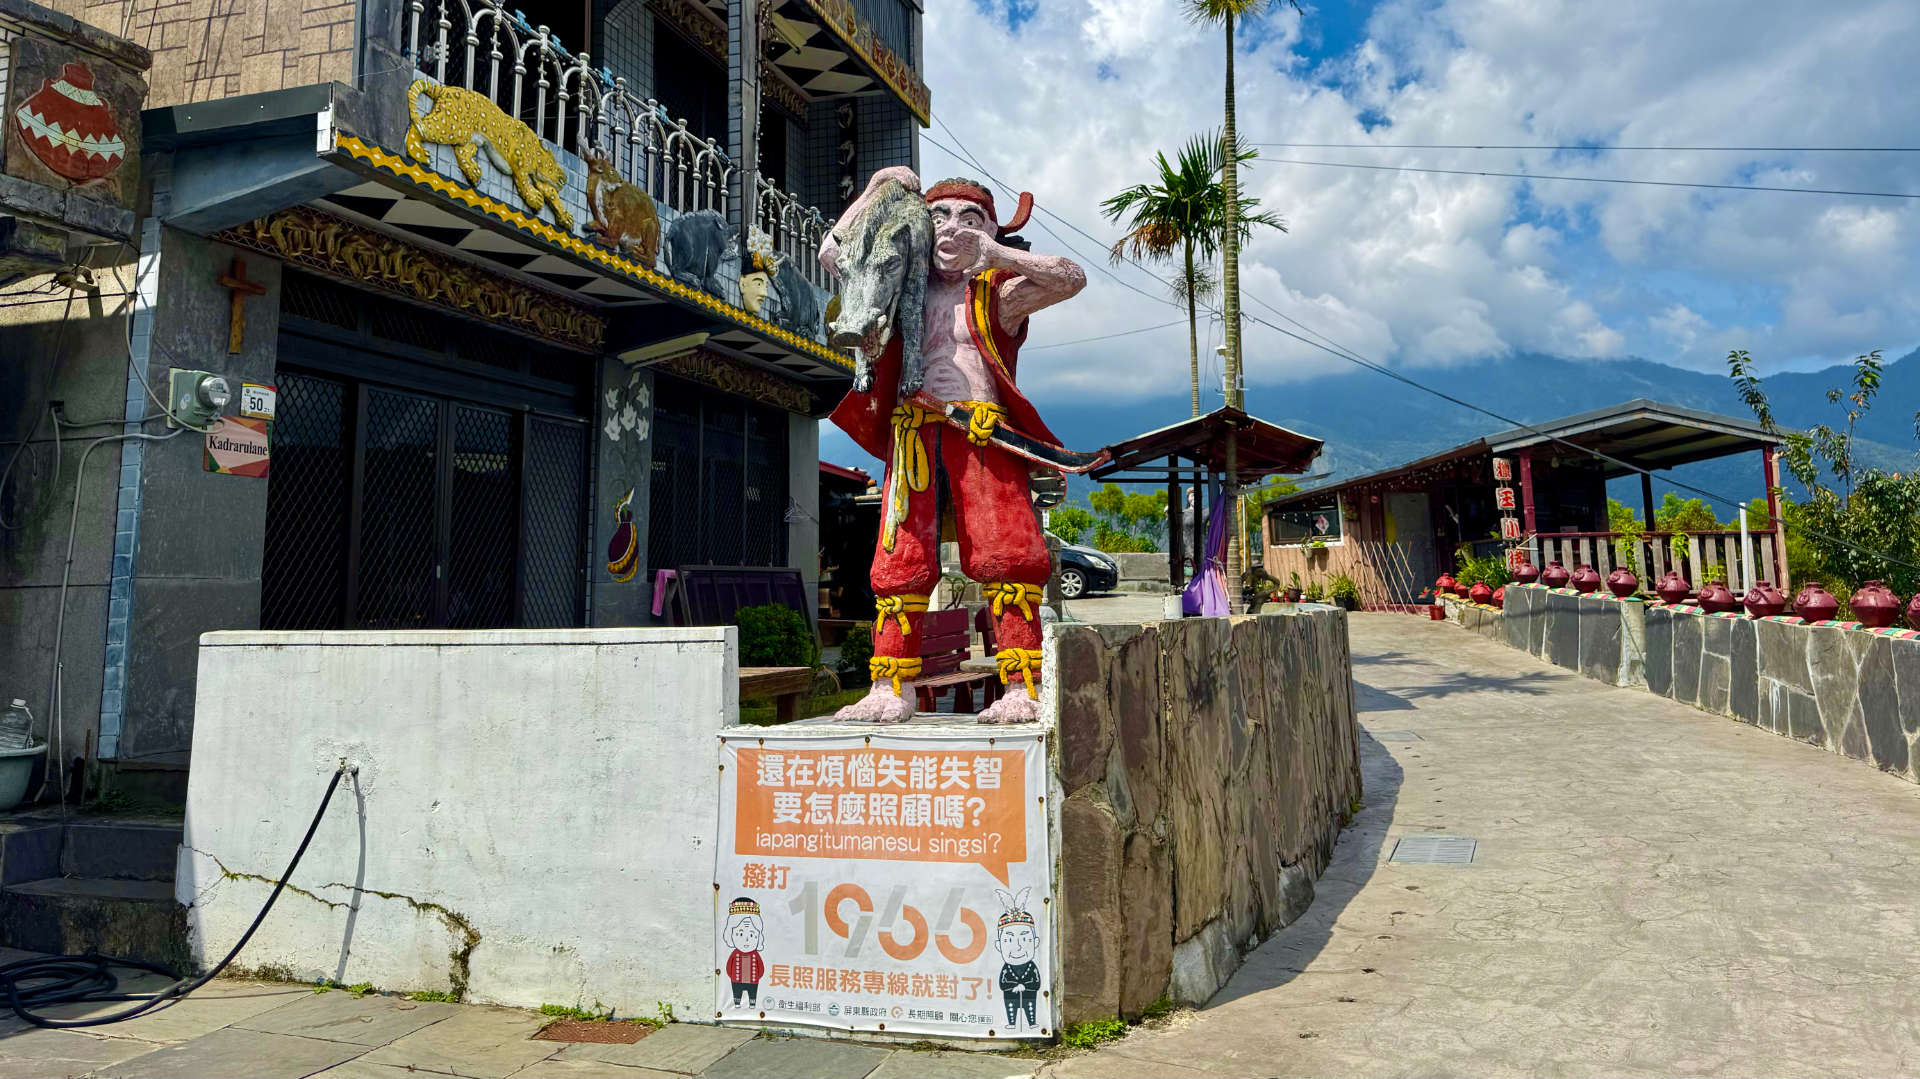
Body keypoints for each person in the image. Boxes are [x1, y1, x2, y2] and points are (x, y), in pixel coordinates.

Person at [820, 168, 1086, 724]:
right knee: (900, 557)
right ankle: (891, 687)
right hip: (910, 428)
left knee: (1006, 553)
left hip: (980, 429)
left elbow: (1070, 277)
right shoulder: (899, 289)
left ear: (990, 229)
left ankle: (1022, 684)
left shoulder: (997, 294)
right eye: (938, 216)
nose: (951, 229)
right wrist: (877, 187)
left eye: (971, 218)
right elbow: (832, 254)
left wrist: (994, 253)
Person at [720, 896, 765, 1008]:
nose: (746, 939)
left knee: (752, 993)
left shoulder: (755, 954)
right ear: (730, 934)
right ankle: (737, 1003)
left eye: (751, 935)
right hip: (736, 980)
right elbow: (729, 967)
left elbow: (761, 968)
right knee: (737, 992)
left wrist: (757, 976)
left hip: (753, 980)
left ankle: (752, 1003)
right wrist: (733, 976)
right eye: (740, 934)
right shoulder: (735, 954)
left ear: (758, 936)